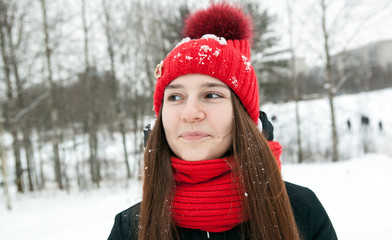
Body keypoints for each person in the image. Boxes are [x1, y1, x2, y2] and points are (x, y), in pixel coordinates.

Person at [108, 3, 337, 240]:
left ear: (242, 115)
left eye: (211, 95)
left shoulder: (301, 210)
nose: (190, 113)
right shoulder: (130, 228)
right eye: (175, 97)